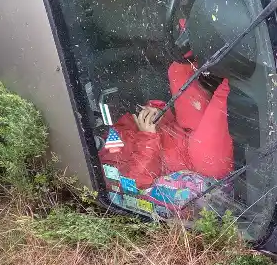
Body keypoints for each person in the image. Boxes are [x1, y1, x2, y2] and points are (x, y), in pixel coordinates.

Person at [98, 61, 234, 190]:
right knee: (222, 97)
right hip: (198, 164)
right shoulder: (95, 169)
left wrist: (156, 112)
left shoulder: (108, 136)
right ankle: (240, 69)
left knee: (178, 70)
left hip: (183, 129)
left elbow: (147, 123)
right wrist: (148, 137)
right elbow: (135, 183)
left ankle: (219, 43)